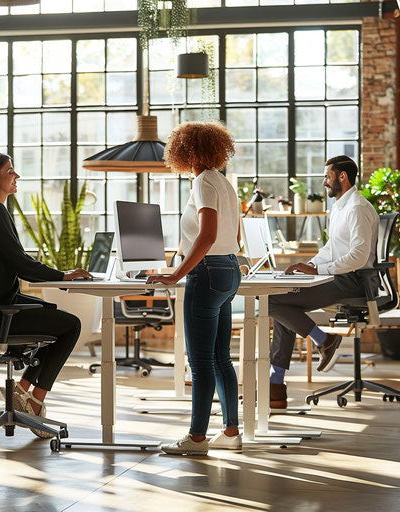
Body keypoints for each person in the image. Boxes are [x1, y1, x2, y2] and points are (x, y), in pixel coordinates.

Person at [0, 152, 92, 438]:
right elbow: (21, 264)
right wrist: (63, 276)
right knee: (71, 325)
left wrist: (60, 278)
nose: (17, 176)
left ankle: (23, 390)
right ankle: (35, 400)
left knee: (51, 313)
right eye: (10, 171)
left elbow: (15, 264)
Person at [147, 122, 242, 456]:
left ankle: (197, 438)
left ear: (185, 151)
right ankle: (231, 431)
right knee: (221, 358)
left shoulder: (203, 181)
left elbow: (208, 235)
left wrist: (175, 274)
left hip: (207, 272)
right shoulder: (225, 183)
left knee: (200, 362)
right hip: (230, 269)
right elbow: (235, 236)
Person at [269, 155, 380, 408]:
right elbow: (332, 248)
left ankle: (325, 340)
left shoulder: (358, 208)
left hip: (353, 281)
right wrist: (311, 266)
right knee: (282, 305)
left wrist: (320, 269)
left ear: (343, 177)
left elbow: (358, 257)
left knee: (272, 300)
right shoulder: (341, 206)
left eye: (327, 176)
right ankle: (275, 387)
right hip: (339, 276)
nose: (324, 182)